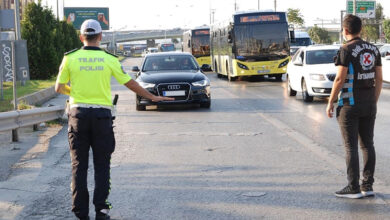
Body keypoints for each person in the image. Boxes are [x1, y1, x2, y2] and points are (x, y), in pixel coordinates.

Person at [55, 19, 173, 220]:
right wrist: (152, 97)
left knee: (79, 165)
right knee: (102, 165)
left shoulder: (70, 58)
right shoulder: (109, 59)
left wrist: (75, 92)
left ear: (81, 37)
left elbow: (58, 87)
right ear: (101, 37)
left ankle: (80, 212)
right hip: (101, 117)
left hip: (78, 117)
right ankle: (101, 210)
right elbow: (130, 83)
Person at [326, 14, 382, 199]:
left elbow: (340, 79)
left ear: (346, 30)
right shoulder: (373, 49)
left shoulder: (346, 49)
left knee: (351, 147)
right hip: (369, 104)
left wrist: (330, 101)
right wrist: (373, 100)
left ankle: (353, 187)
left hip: (349, 105)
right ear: (361, 29)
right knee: (368, 145)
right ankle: (368, 185)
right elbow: (379, 78)